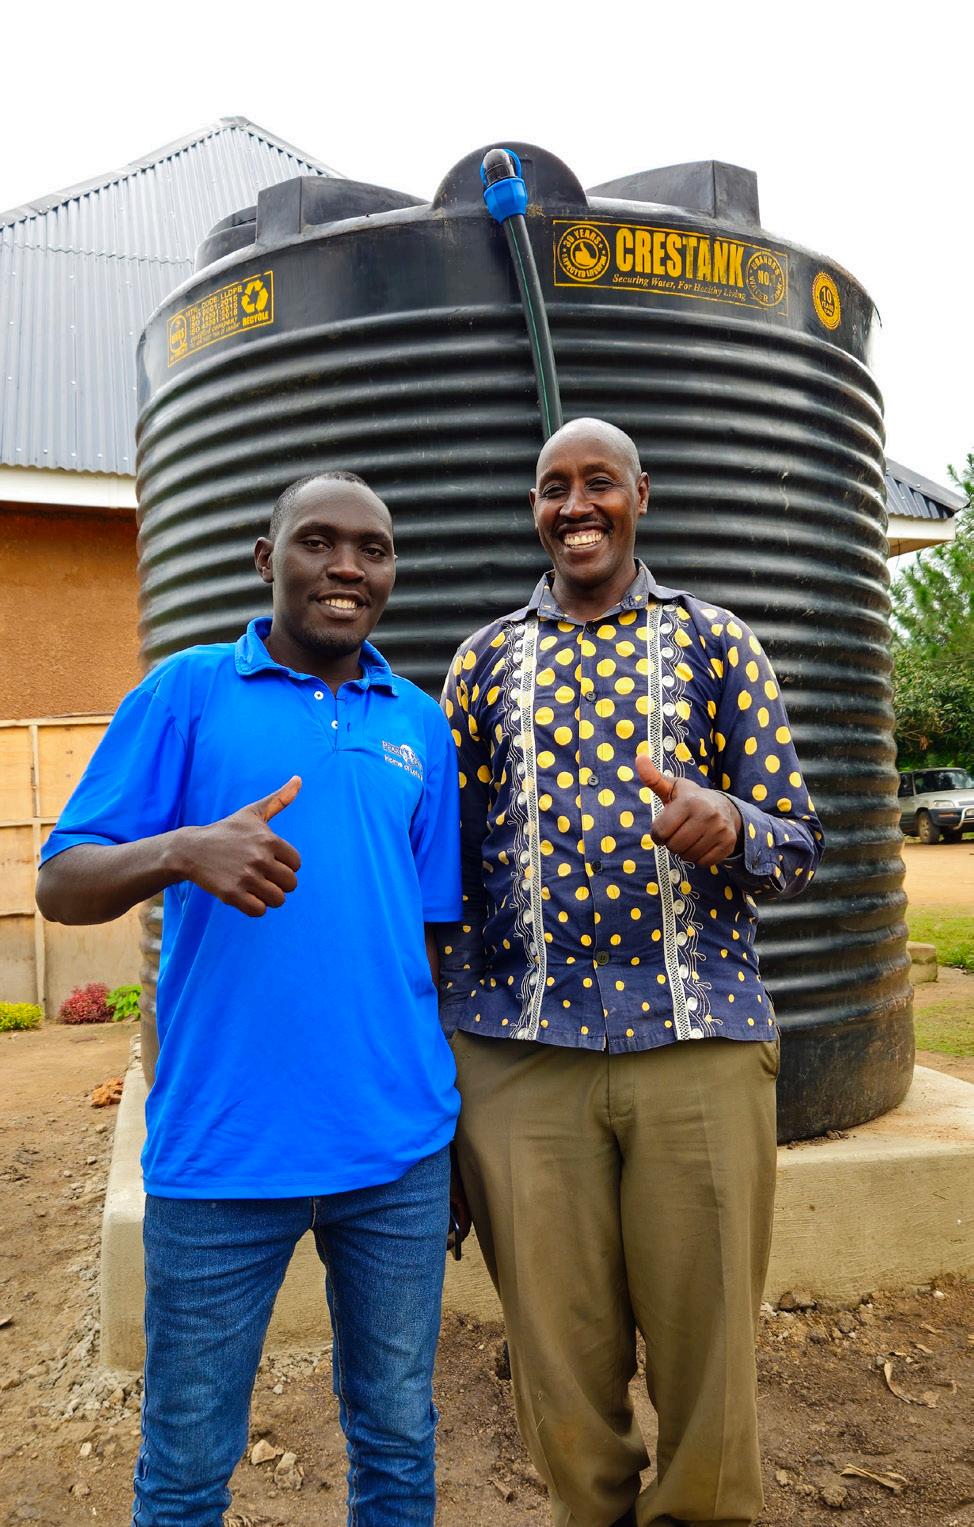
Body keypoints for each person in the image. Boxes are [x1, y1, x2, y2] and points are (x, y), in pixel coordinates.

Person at [36, 471, 463, 1527]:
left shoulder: (419, 724)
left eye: (374, 548)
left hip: (397, 1157)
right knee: (186, 1466)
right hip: (224, 1158)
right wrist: (183, 849)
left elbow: (430, 942)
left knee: (398, 1440)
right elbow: (61, 881)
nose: (347, 566)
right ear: (265, 558)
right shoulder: (186, 694)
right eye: (318, 541)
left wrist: (455, 1137)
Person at [439, 418, 825, 1527]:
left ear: (640, 494)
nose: (575, 507)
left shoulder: (715, 642)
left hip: (697, 1043)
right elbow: (448, 878)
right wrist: (443, 1064)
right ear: (533, 508)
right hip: (520, 1055)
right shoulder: (480, 662)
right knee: (557, 1365)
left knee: (711, 1357)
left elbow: (800, 842)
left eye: (597, 482)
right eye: (551, 487)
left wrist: (731, 825)